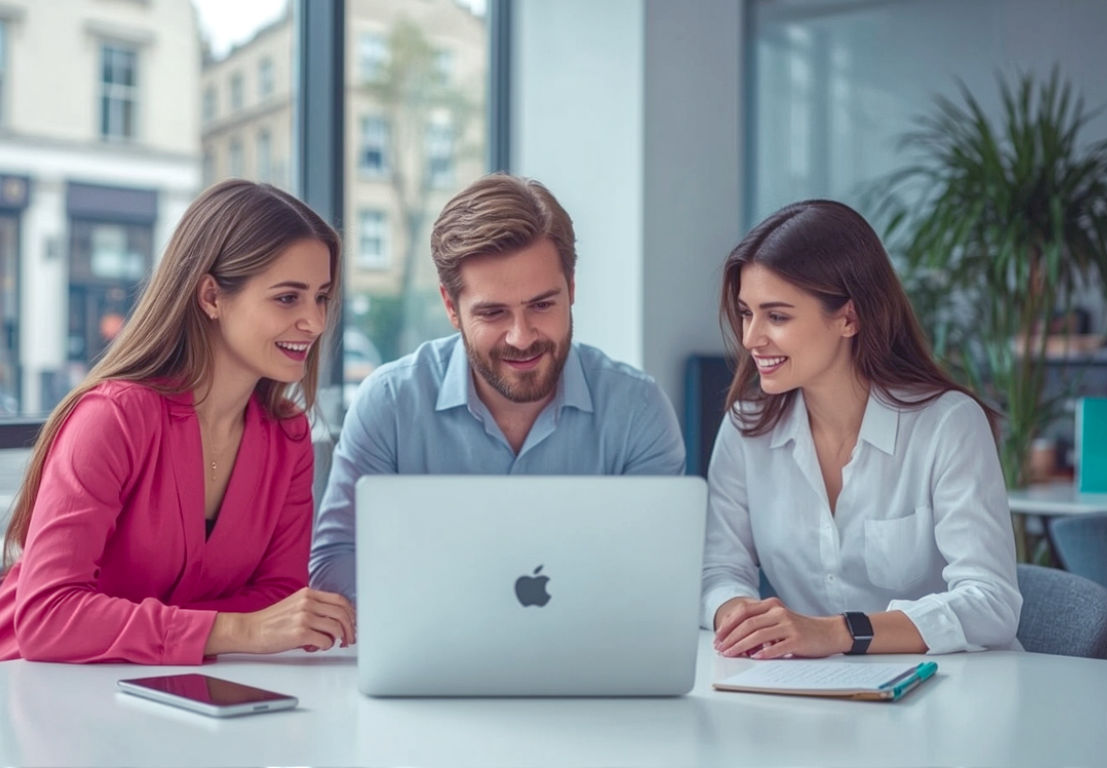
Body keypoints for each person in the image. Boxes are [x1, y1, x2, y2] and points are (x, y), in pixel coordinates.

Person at [0, 180, 356, 667]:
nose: (315, 322)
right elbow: (48, 618)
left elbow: (278, 602)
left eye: (321, 297)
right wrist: (235, 628)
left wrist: (222, 630)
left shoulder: (287, 437)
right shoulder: (114, 418)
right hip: (15, 685)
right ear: (211, 296)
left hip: (151, 691)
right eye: (288, 298)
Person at [309, 173, 685, 600]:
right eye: (493, 313)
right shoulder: (390, 404)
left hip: (595, 643)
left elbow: (660, 569)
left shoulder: (638, 409)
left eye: (542, 305)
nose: (521, 337)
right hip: (434, 642)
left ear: (571, 289)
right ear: (451, 307)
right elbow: (335, 560)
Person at [702, 199, 1020, 659]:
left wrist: (837, 633)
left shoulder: (948, 424)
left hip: (953, 687)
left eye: (777, 316)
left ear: (848, 318)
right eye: (746, 313)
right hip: (812, 686)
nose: (751, 338)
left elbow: (991, 601)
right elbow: (718, 571)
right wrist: (744, 620)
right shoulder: (745, 429)